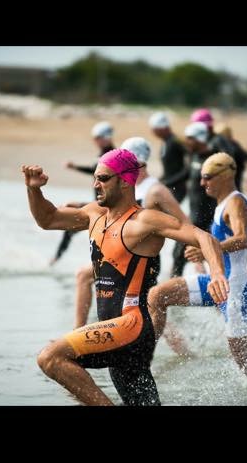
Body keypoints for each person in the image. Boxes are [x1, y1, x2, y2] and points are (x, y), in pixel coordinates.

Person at [22, 149, 229, 407]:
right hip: (115, 333)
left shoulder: (144, 220)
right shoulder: (94, 214)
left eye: (103, 178)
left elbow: (203, 237)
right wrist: (34, 190)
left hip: (131, 327)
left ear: (124, 181)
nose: (96, 184)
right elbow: (48, 219)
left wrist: (217, 273)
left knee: (51, 357)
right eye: (95, 178)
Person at [148, 153, 247, 378]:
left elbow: (241, 239)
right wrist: (202, 253)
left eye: (207, 177)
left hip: (235, 287)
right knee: (157, 295)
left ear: (224, 176)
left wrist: (208, 250)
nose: (202, 183)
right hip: (217, 282)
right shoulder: (222, 204)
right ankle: (144, 361)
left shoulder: (235, 202)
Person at [73, 136, 190, 329]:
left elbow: (184, 223)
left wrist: (196, 253)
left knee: (143, 309)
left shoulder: (156, 190)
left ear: (139, 162)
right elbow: (113, 211)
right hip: (120, 254)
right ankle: (79, 334)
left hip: (143, 260)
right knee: (141, 310)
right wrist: (80, 206)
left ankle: (78, 334)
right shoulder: (126, 184)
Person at [49, 121, 115, 266]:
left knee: (74, 227)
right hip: (99, 206)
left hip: (104, 209)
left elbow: (99, 173)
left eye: (98, 138)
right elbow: (94, 170)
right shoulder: (105, 154)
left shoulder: (110, 156)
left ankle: (56, 260)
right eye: (95, 138)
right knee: (71, 228)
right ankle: (56, 260)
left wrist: (80, 204)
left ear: (106, 138)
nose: (95, 141)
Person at [170, 121, 218, 278]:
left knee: (208, 258)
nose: (186, 142)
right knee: (178, 255)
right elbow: (185, 174)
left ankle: (216, 287)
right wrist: (161, 184)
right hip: (193, 217)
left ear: (200, 138)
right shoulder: (195, 156)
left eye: (190, 138)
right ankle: (175, 289)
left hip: (207, 219)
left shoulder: (213, 160)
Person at [148, 112, 188, 202]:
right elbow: (169, 169)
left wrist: (169, 181)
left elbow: (189, 167)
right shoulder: (165, 142)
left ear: (162, 128)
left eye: (154, 129)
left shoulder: (175, 141)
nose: (152, 132)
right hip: (170, 186)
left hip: (178, 188)